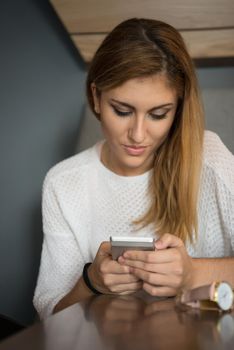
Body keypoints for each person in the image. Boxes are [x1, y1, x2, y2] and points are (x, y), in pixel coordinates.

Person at [33, 18, 234, 320]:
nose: (138, 135)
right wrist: (92, 281)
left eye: (158, 114)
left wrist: (193, 273)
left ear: (177, 109)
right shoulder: (63, 184)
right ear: (96, 97)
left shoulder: (210, 160)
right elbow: (51, 312)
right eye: (122, 111)